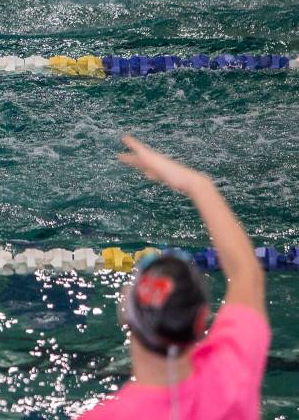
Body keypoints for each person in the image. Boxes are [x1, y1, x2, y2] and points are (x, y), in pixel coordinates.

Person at [79, 135, 269, 420]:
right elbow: (247, 274)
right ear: (201, 318)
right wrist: (198, 185)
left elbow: (247, 276)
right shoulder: (231, 374)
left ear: (125, 316)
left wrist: (197, 185)